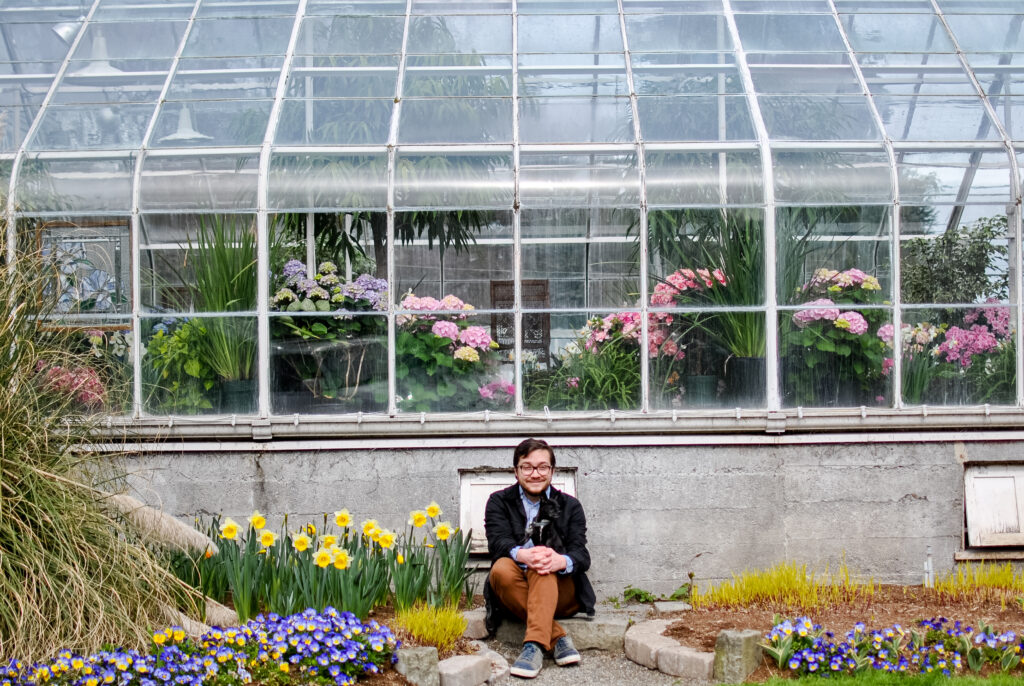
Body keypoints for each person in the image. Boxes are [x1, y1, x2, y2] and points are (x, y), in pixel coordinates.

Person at [483, 438, 596, 679]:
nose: (535, 473)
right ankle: (558, 638)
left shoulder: (570, 506)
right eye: (527, 467)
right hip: (515, 587)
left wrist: (560, 561)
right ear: (516, 471)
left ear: (552, 471)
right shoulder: (498, 501)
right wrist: (522, 554)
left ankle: (533, 645)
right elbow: (497, 542)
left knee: (544, 562)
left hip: (561, 593)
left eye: (542, 467)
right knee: (502, 568)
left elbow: (581, 554)